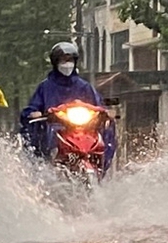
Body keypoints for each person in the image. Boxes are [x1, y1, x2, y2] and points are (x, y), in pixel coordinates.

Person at [19, 41, 116, 170]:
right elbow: (32, 108)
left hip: (84, 131)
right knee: (39, 135)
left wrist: (106, 112)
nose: (67, 64)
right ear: (55, 62)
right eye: (63, 60)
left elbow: (98, 104)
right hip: (55, 131)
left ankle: (101, 165)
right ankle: (44, 167)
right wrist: (34, 113)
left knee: (108, 127)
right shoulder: (46, 87)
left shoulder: (84, 86)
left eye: (69, 60)